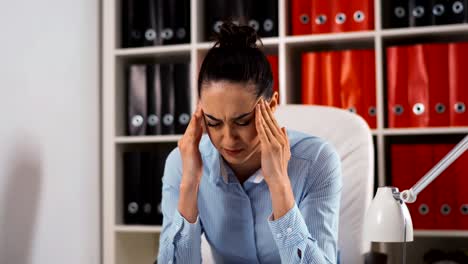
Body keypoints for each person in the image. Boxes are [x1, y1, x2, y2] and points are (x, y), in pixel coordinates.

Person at [157, 22, 342, 264]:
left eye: (242, 121)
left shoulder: (317, 161)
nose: (228, 138)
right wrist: (189, 184)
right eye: (213, 122)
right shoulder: (183, 163)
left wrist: (279, 184)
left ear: (272, 105)